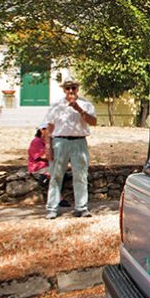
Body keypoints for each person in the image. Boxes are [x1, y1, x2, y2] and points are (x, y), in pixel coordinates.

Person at [43, 77, 97, 219]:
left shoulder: (86, 104)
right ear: (64, 90)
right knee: (56, 175)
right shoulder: (56, 106)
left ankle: (81, 207)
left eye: (73, 87)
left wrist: (78, 109)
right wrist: (48, 147)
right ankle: (52, 208)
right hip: (60, 141)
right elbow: (48, 128)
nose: (71, 90)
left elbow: (94, 122)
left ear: (77, 89)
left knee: (80, 175)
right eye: (68, 88)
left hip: (79, 142)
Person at [28, 123, 70, 207]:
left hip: (50, 164)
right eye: (46, 129)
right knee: (54, 175)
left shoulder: (50, 140)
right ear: (41, 130)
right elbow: (42, 156)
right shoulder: (36, 141)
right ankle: (58, 199)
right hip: (39, 166)